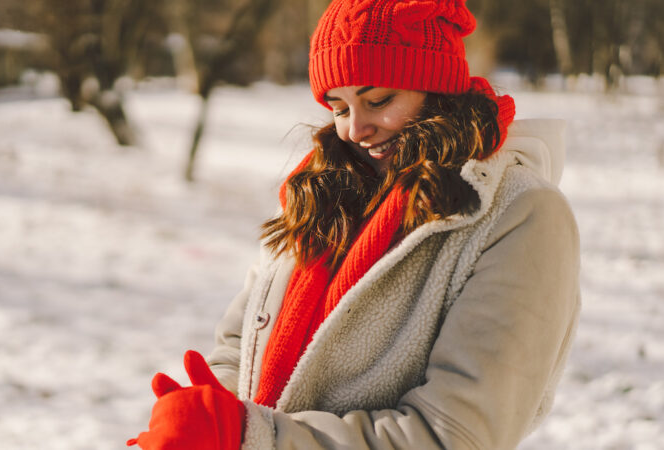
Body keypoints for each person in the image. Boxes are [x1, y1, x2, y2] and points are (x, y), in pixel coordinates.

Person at [128, 0, 581, 448]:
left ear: (438, 88)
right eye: (339, 107)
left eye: (378, 100)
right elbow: (241, 345)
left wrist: (248, 436)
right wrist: (205, 414)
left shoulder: (522, 214)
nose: (354, 130)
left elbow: (454, 434)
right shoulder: (321, 193)